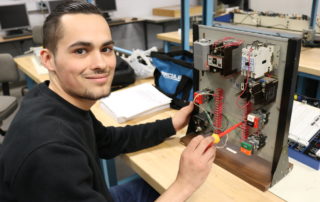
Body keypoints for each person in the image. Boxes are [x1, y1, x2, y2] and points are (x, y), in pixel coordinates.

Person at [0, 1, 216, 202]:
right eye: (81, 51)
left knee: (155, 187)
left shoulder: (55, 98)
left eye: (106, 49)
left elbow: (108, 141)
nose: (100, 63)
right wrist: (184, 184)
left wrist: (171, 124)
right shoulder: (51, 154)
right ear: (48, 59)